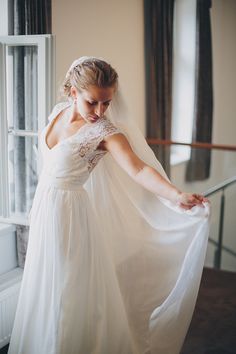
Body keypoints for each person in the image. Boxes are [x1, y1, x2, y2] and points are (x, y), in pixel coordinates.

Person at [8, 56, 210, 354]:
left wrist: (176, 195)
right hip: (45, 210)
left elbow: (139, 169)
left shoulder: (105, 133)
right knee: (44, 286)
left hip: (71, 216)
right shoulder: (58, 113)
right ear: (73, 93)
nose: (100, 111)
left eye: (107, 103)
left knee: (67, 292)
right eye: (93, 102)